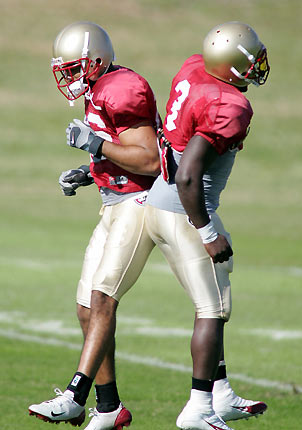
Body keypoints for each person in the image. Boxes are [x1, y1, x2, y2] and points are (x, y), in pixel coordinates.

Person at [28, 20, 267, 430]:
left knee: (185, 295)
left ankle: (87, 396)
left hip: (148, 201)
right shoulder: (226, 102)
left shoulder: (157, 79)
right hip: (162, 202)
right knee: (198, 307)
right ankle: (140, 407)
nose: (67, 76)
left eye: (74, 66)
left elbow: (155, 151)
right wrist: (95, 168)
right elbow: (164, 162)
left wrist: (95, 157)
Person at [145, 21, 270, 430]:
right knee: (212, 309)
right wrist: (208, 233)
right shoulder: (228, 105)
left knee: (212, 298)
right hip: (184, 209)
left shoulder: (195, 68)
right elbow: (187, 176)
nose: (257, 66)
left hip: (163, 204)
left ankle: (221, 394)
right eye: (251, 60)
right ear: (232, 65)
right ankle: (198, 409)